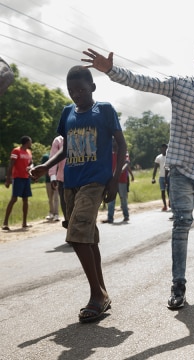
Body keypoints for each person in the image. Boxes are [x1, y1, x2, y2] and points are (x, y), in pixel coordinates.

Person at [83, 41, 194, 311]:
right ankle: (178, 285)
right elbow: (144, 82)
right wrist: (112, 70)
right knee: (182, 223)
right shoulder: (179, 85)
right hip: (181, 167)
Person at [30, 65, 126, 323]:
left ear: (92, 88)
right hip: (70, 182)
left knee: (77, 235)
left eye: (81, 90)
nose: (76, 95)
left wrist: (115, 179)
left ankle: (96, 295)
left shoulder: (104, 110)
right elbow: (68, 149)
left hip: (95, 182)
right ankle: (103, 294)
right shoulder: (67, 113)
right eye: (72, 90)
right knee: (87, 238)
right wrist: (46, 166)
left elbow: (121, 143)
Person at [2, 136, 33, 230]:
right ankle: (5, 223)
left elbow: (31, 163)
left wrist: (31, 168)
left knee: (25, 200)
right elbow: (11, 164)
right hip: (18, 178)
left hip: (26, 178)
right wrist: (8, 179)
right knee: (14, 199)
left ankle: (24, 222)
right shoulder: (16, 151)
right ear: (27, 142)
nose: (31, 143)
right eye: (30, 142)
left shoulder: (29, 152)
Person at [103, 143, 133, 223]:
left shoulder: (123, 153)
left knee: (123, 198)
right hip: (112, 180)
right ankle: (110, 218)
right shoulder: (110, 154)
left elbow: (127, 163)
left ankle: (126, 216)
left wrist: (121, 170)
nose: (114, 146)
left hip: (122, 180)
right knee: (111, 199)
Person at [49, 135, 68, 228]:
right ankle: (70, 228)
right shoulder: (58, 140)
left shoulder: (82, 134)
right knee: (65, 206)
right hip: (63, 180)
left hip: (81, 179)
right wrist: (53, 177)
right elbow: (53, 158)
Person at [41, 152, 60, 222]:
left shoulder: (58, 155)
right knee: (50, 198)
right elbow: (43, 167)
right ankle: (51, 212)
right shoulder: (46, 156)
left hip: (56, 179)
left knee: (56, 198)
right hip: (48, 180)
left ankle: (56, 214)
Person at [151, 144, 169, 211]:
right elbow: (155, 168)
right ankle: (165, 205)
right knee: (163, 191)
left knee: (169, 191)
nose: (163, 149)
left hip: (169, 176)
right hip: (161, 177)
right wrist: (153, 178)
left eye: (165, 148)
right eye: (162, 148)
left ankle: (170, 202)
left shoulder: (169, 157)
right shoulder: (158, 157)